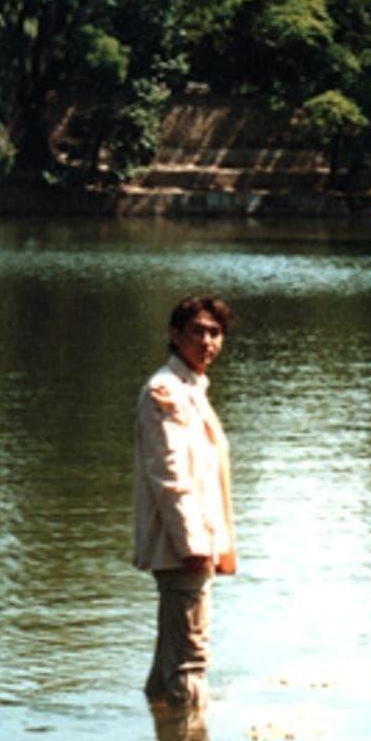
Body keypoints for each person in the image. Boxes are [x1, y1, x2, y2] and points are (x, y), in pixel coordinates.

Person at [134, 296, 236, 711]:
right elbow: (169, 477)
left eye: (215, 333)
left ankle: (165, 729)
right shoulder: (166, 391)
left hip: (194, 543)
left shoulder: (191, 387)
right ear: (175, 335)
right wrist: (193, 545)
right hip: (183, 548)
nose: (208, 341)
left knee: (168, 667)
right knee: (190, 665)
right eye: (197, 331)